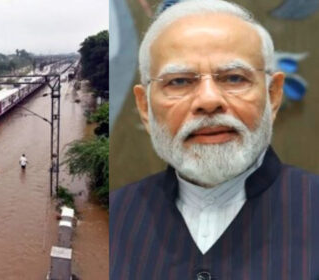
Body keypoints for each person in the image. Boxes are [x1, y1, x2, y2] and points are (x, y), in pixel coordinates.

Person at [109, 0, 319, 279]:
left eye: (233, 78)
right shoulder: (115, 214)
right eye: (180, 81)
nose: (208, 101)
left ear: (273, 96)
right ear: (145, 107)